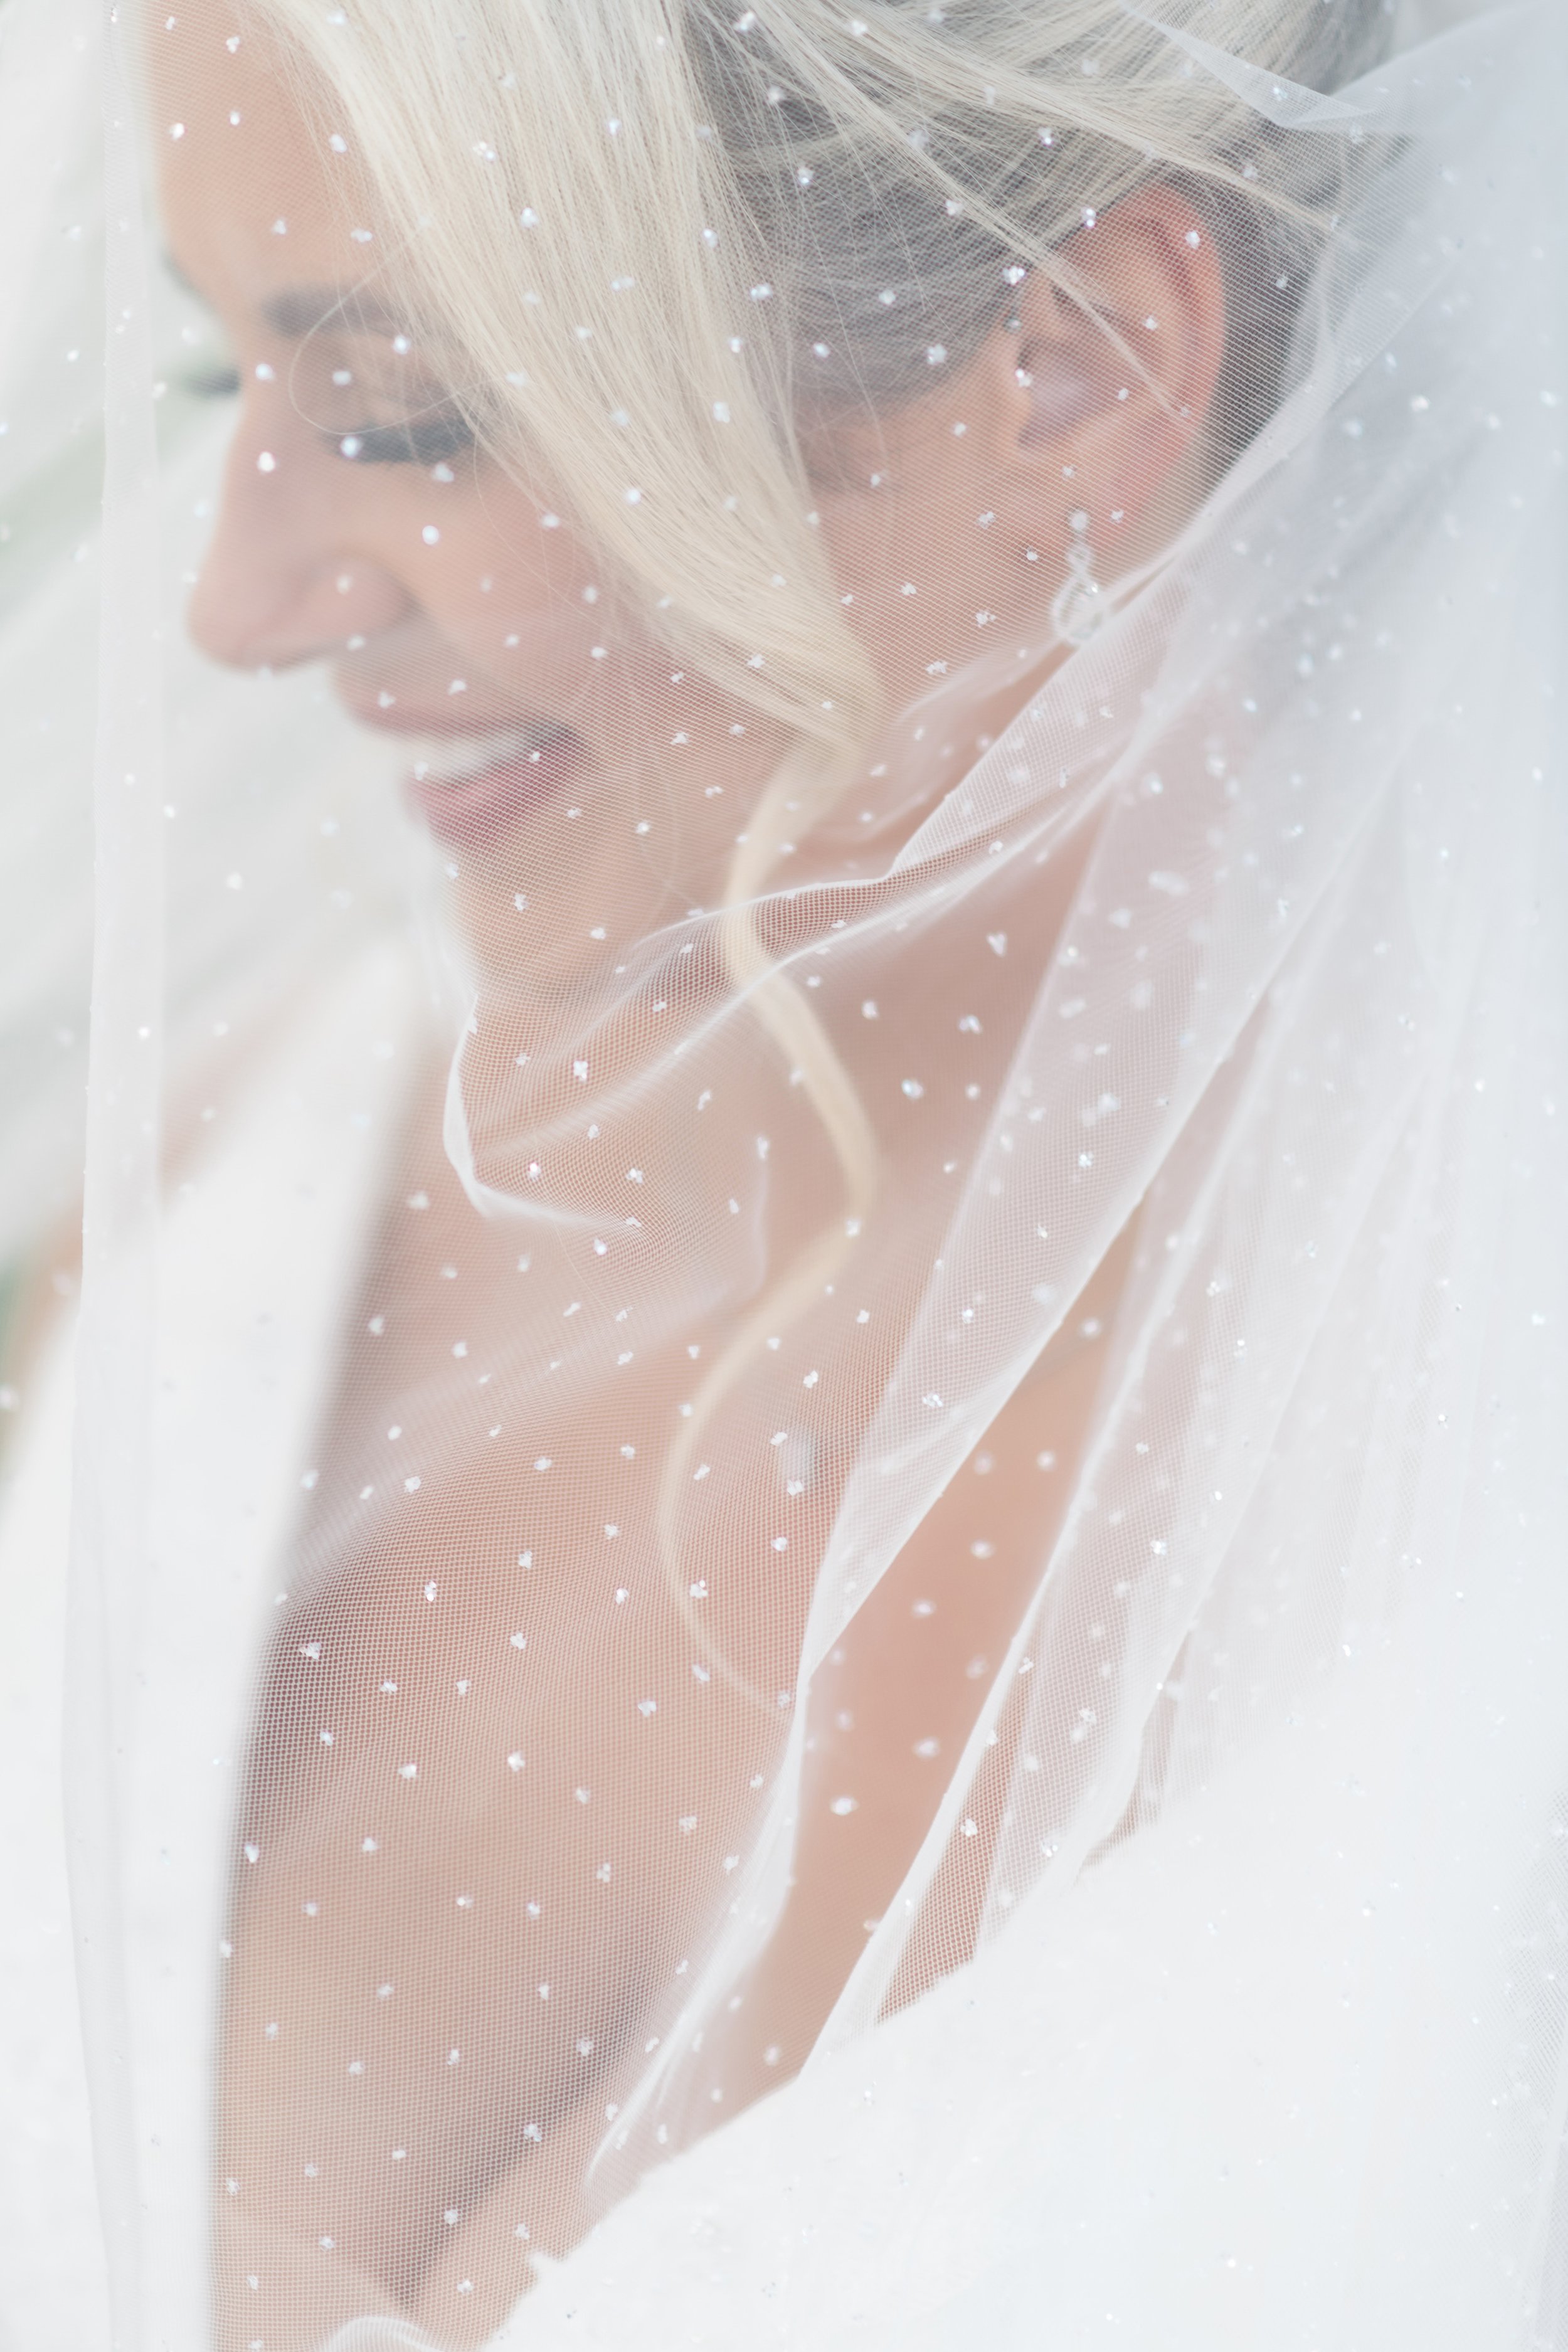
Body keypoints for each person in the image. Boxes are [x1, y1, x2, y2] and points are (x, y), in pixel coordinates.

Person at [0, 0, 1563, 2345]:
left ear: (1072, 370)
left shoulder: (1469, 1545)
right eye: (234, 379)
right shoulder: (215, 1222)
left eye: (408, 409)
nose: (237, 603)